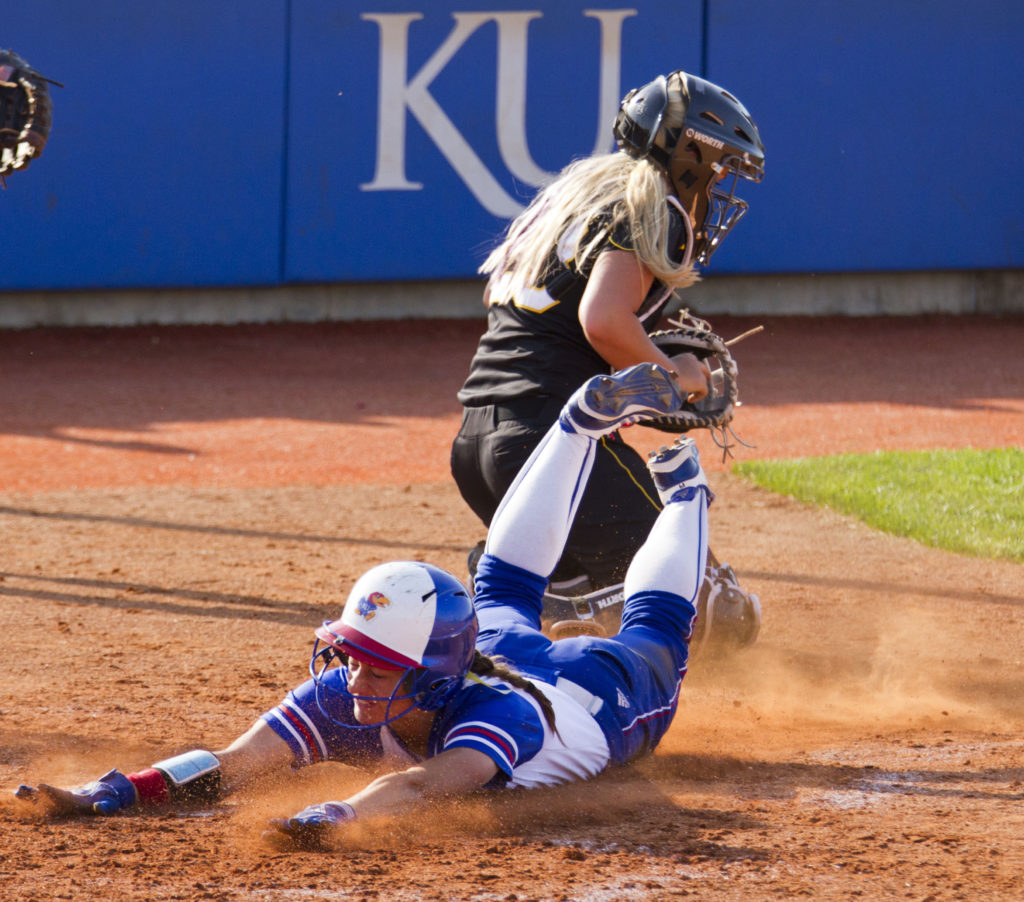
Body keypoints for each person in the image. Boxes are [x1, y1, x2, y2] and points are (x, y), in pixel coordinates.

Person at [15, 363, 711, 849]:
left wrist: (338, 815)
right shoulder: (351, 692)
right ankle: (576, 425)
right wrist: (115, 791)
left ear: (430, 675)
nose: (353, 678)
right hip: (495, 646)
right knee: (500, 587)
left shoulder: (497, 719)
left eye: (376, 667)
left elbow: (415, 788)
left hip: (594, 695)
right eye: (351, 656)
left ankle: (686, 493)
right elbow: (233, 762)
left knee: (654, 633)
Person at [450, 69, 763, 647]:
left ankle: (532, 604)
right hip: (548, 438)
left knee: (563, 604)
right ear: (689, 154)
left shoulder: (580, 199)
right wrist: (680, 376)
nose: (719, 184)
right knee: (702, 607)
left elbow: (557, 328)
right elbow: (603, 322)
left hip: (477, 444)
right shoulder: (653, 207)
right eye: (719, 167)